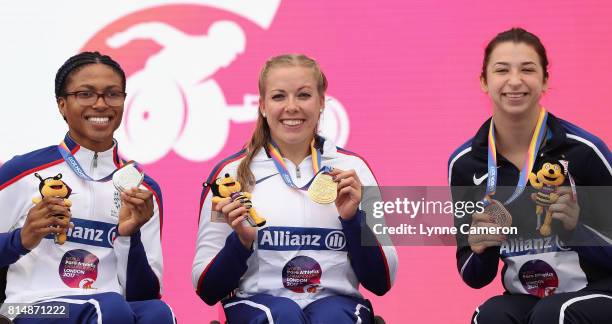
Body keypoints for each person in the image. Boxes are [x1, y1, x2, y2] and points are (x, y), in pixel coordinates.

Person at [192, 54, 398, 323]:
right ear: (263, 105)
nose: (291, 107)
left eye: (303, 95)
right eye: (279, 97)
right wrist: (241, 243)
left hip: (337, 306)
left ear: (322, 102)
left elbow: (382, 282)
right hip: (258, 307)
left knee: (332, 319)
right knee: (281, 316)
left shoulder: (353, 170)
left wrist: (353, 221)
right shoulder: (229, 176)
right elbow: (207, 288)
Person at [448, 28, 612, 323]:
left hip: (598, 292)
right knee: (489, 317)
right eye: (501, 70)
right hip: (524, 298)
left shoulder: (585, 151)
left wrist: (578, 229)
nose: (514, 81)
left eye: (527, 69)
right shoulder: (465, 164)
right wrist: (480, 247)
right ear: (484, 81)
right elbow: (472, 275)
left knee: (554, 314)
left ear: (545, 80)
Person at [0, 52, 175, 323]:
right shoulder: (22, 172)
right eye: (86, 94)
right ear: (62, 105)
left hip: (109, 308)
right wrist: (21, 239)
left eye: (113, 94)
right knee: (108, 307)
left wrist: (130, 238)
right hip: (30, 307)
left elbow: (145, 294)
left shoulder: (142, 188)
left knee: (157, 313)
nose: (101, 104)